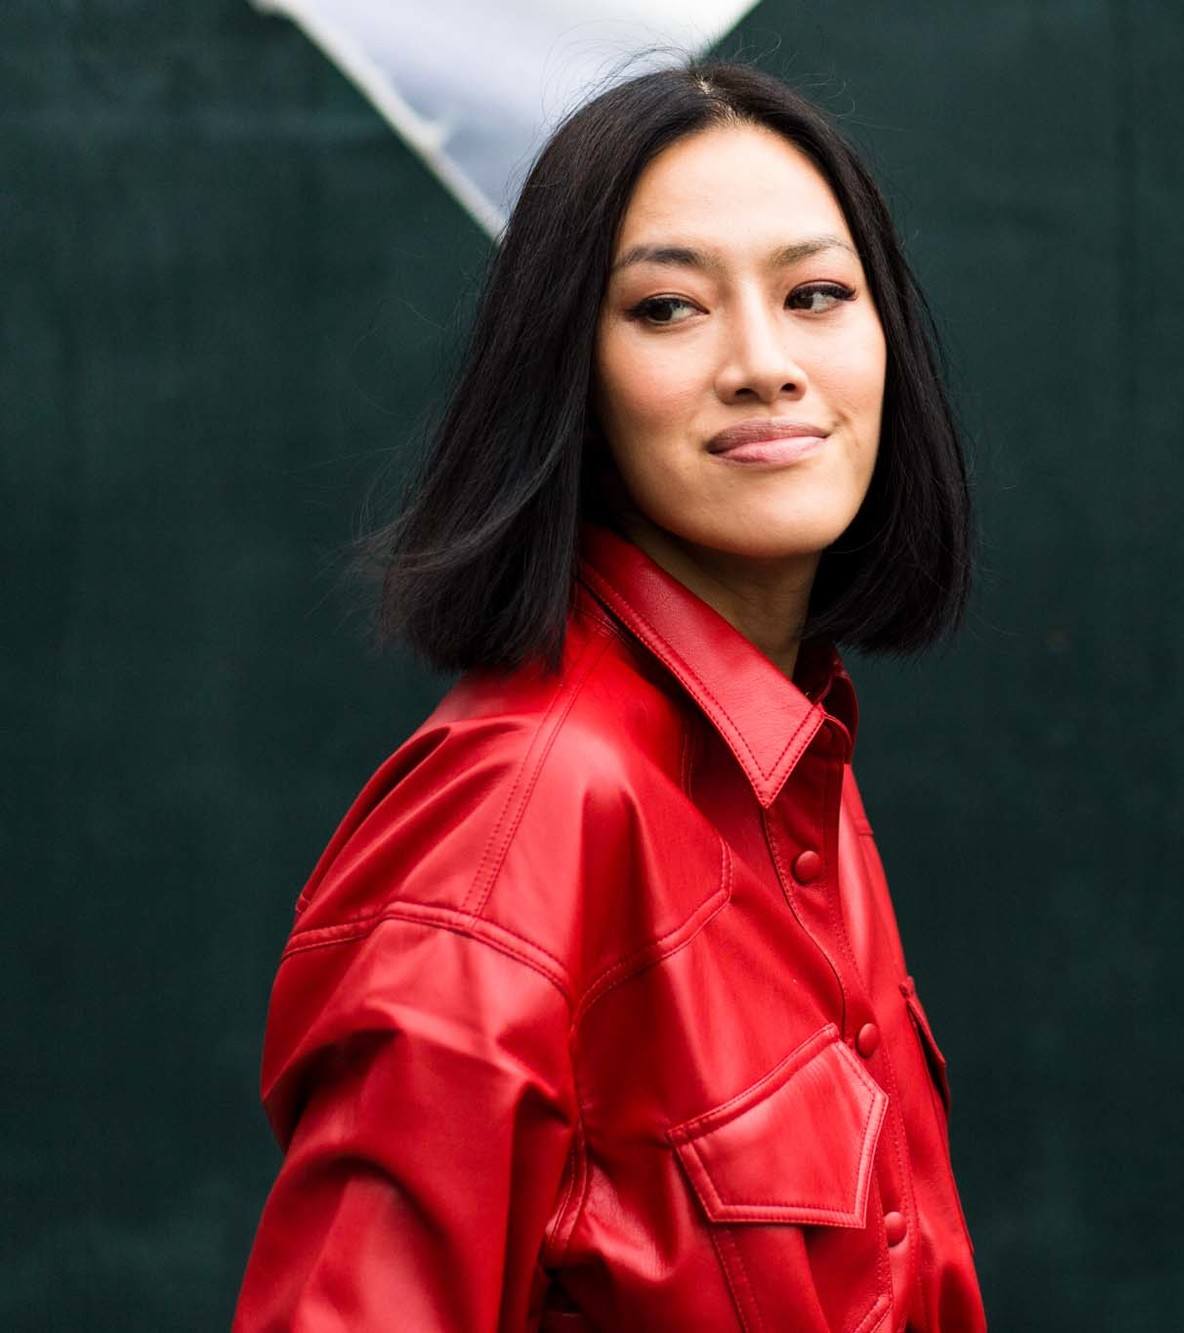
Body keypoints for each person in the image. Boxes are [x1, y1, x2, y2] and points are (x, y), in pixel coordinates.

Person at [232, 55, 986, 1333]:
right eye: (668, 310)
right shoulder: (518, 817)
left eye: (813, 294)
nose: (763, 363)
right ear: (564, 376)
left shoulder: (793, 770)